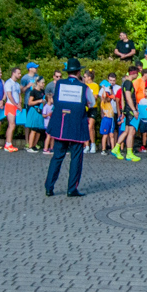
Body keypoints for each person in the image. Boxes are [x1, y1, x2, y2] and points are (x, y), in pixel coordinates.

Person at [45, 58, 95, 197]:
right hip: (77, 126)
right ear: (79, 72)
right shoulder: (84, 87)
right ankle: (71, 188)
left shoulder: (59, 84)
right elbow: (92, 103)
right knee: (76, 158)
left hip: (61, 125)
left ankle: (49, 187)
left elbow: (55, 100)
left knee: (57, 157)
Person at [21, 78, 47, 152]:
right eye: (42, 83)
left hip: (40, 110)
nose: (43, 84)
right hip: (34, 110)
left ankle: (34, 145)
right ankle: (30, 146)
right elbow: (30, 102)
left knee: (39, 129)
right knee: (34, 129)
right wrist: (39, 101)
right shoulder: (33, 92)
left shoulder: (42, 91)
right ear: (38, 83)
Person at [2, 67, 23, 152]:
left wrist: (19, 104)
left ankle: (9, 143)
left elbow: (19, 95)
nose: (20, 75)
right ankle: (8, 144)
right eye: (18, 73)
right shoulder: (8, 83)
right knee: (12, 125)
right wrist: (16, 104)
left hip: (16, 105)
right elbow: (9, 95)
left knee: (12, 125)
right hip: (10, 105)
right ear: (13, 73)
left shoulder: (17, 84)